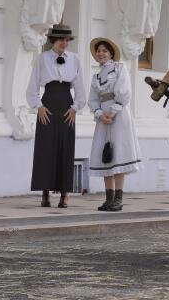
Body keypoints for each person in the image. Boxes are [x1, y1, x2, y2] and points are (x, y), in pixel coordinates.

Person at [26, 23, 87, 208]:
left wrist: (76, 107)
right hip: (48, 106)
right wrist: (39, 106)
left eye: (67, 39)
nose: (64, 42)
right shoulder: (42, 58)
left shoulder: (75, 59)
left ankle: (65, 195)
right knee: (46, 149)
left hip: (67, 108)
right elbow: (32, 87)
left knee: (66, 149)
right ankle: (45, 193)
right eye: (61, 39)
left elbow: (80, 89)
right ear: (53, 40)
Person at [88, 37, 142, 212]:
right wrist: (99, 114)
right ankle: (109, 199)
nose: (101, 53)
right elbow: (93, 99)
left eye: (104, 50)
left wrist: (113, 110)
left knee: (118, 154)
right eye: (98, 51)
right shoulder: (95, 76)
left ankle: (118, 199)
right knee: (106, 156)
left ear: (111, 53)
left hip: (119, 116)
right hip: (103, 119)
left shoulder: (120, 68)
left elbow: (124, 90)